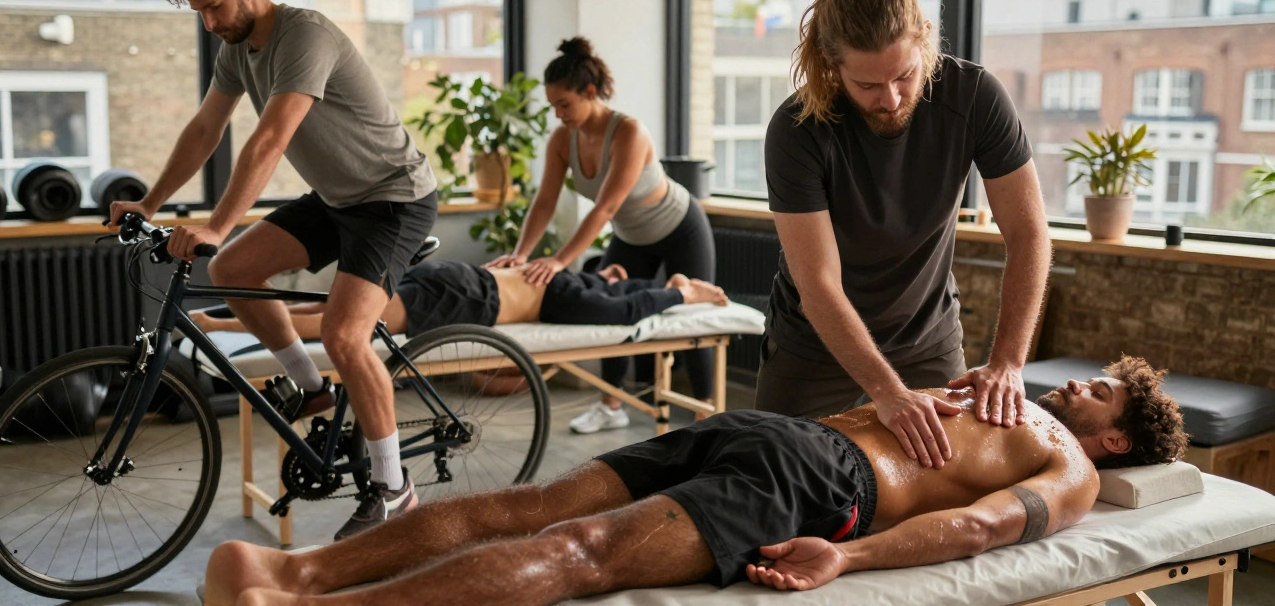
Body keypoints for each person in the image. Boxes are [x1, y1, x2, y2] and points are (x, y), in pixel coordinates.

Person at [202, 356, 1186, 606]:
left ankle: (287, 577)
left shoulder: (1065, 470)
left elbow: (977, 532)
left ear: (1111, 444)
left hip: (806, 454)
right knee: (564, 542)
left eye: (1101, 396)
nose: (1080, 386)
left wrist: (845, 554)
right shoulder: (1007, 401)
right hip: (796, 447)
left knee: (537, 515)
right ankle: (298, 591)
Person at [108, 0, 438, 541]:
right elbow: (206, 127)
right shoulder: (237, 50)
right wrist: (151, 203)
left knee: (344, 334)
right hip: (339, 197)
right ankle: (312, 392)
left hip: (393, 198)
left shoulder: (304, 35)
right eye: (198, 10)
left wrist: (214, 225)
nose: (208, 22)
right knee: (232, 270)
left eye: (214, 6)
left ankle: (395, 488)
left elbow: (270, 139)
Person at [760, 0, 1053, 469]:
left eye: (904, 76)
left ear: (926, 40)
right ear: (833, 67)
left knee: (950, 479)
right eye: (868, 86)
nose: (891, 99)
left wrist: (1008, 362)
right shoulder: (797, 129)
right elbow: (819, 284)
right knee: (780, 478)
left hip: (926, 339)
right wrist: (885, 392)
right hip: (815, 345)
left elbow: (1029, 233)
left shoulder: (975, 96)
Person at [486, 37, 718, 434]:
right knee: (608, 313)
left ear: (589, 93)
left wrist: (559, 261)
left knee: (696, 320)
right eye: (553, 106)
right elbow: (544, 201)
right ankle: (613, 406)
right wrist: (522, 253)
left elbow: (605, 208)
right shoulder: (563, 141)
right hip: (631, 235)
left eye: (565, 104)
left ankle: (707, 417)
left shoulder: (629, 132)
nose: (559, 115)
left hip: (680, 227)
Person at [190, 261, 728, 341]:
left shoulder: (568, 287)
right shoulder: (564, 294)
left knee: (340, 313)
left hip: (463, 281)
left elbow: (614, 297)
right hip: (474, 297)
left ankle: (217, 321)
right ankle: (217, 326)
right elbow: (621, 307)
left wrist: (605, 276)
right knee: (344, 324)